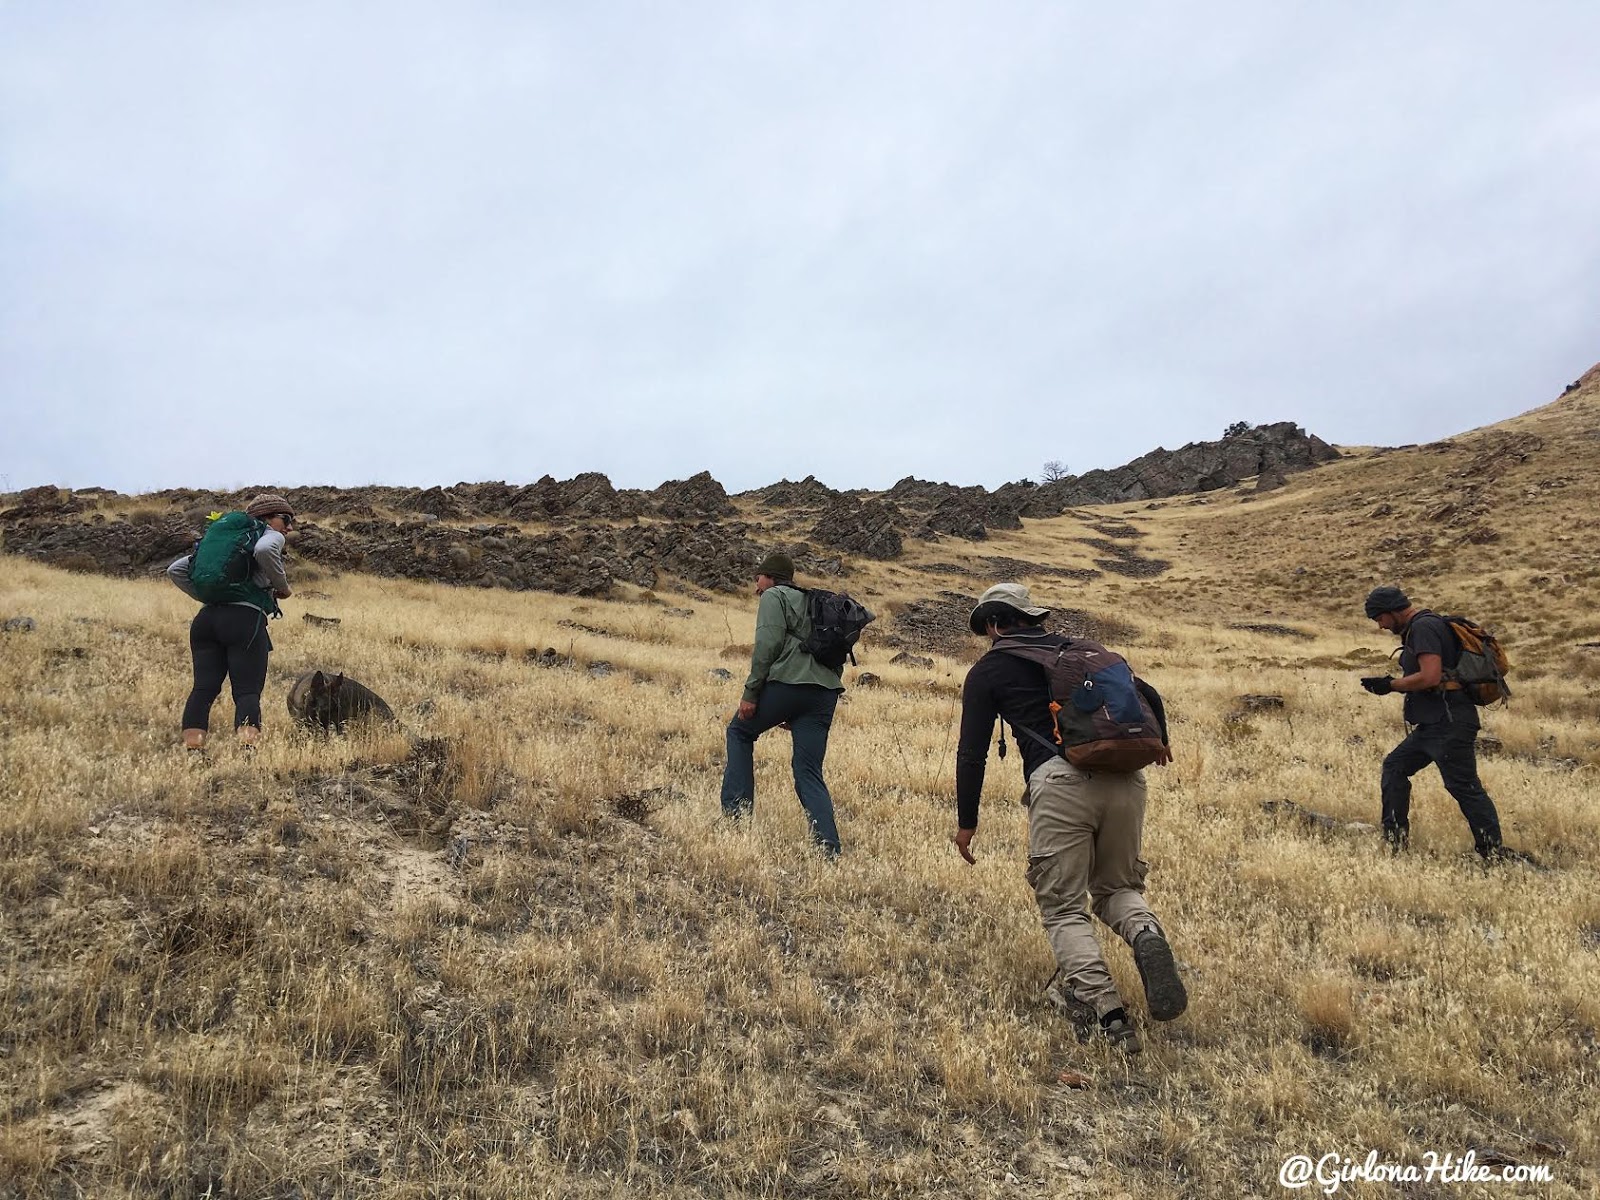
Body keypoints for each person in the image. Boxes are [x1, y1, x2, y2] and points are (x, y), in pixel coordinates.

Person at [953, 583, 1186, 1053]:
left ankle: (1109, 1014)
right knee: (1118, 889)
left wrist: (967, 822)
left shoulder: (991, 668)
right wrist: (1163, 744)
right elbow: (1148, 692)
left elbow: (972, 752)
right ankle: (1144, 934)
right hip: (1127, 781)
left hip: (1060, 783)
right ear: (1032, 617)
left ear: (996, 623)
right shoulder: (1081, 651)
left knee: (1062, 906)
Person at [1360, 586, 1505, 859]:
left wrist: (1390, 685)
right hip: (1435, 723)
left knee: (1464, 786)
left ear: (1392, 611)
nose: (1380, 626)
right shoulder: (1422, 626)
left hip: (1448, 722)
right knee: (1394, 767)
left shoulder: (1424, 628)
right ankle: (1394, 844)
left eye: (1379, 618)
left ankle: (1493, 851)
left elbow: (1430, 676)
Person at [719, 552, 846, 856]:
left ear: (771, 577)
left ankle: (736, 819)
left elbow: (767, 645)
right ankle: (827, 847)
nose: (756, 587)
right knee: (809, 770)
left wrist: (751, 693)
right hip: (824, 693)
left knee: (739, 732)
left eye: (758, 579)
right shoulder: (814, 602)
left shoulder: (774, 597)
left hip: (787, 684)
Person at [167, 494, 295, 749]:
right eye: (286, 519)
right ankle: (248, 751)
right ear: (268, 517)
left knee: (203, 689)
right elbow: (265, 550)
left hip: (206, 620)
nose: (289, 527)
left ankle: (194, 751)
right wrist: (283, 587)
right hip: (244, 620)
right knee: (247, 691)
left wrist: (208, 595)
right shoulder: (268, 534)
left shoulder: (220, 540)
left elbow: (176, 570)